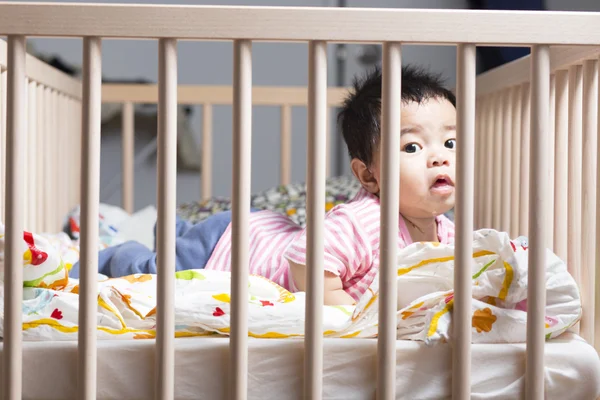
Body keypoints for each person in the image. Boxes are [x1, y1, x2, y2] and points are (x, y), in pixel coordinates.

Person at [70, 65, 456, 306]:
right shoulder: (363, 222)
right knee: (154, 270)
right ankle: (115, 253)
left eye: (450, 143)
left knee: (180, 241)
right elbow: (306, 256)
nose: (439, 157)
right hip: (229, 247)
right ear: (368, 175)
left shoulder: (448, 234)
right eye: (413, 146)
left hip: (257, 230)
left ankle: (174, 231)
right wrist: (344, 310)